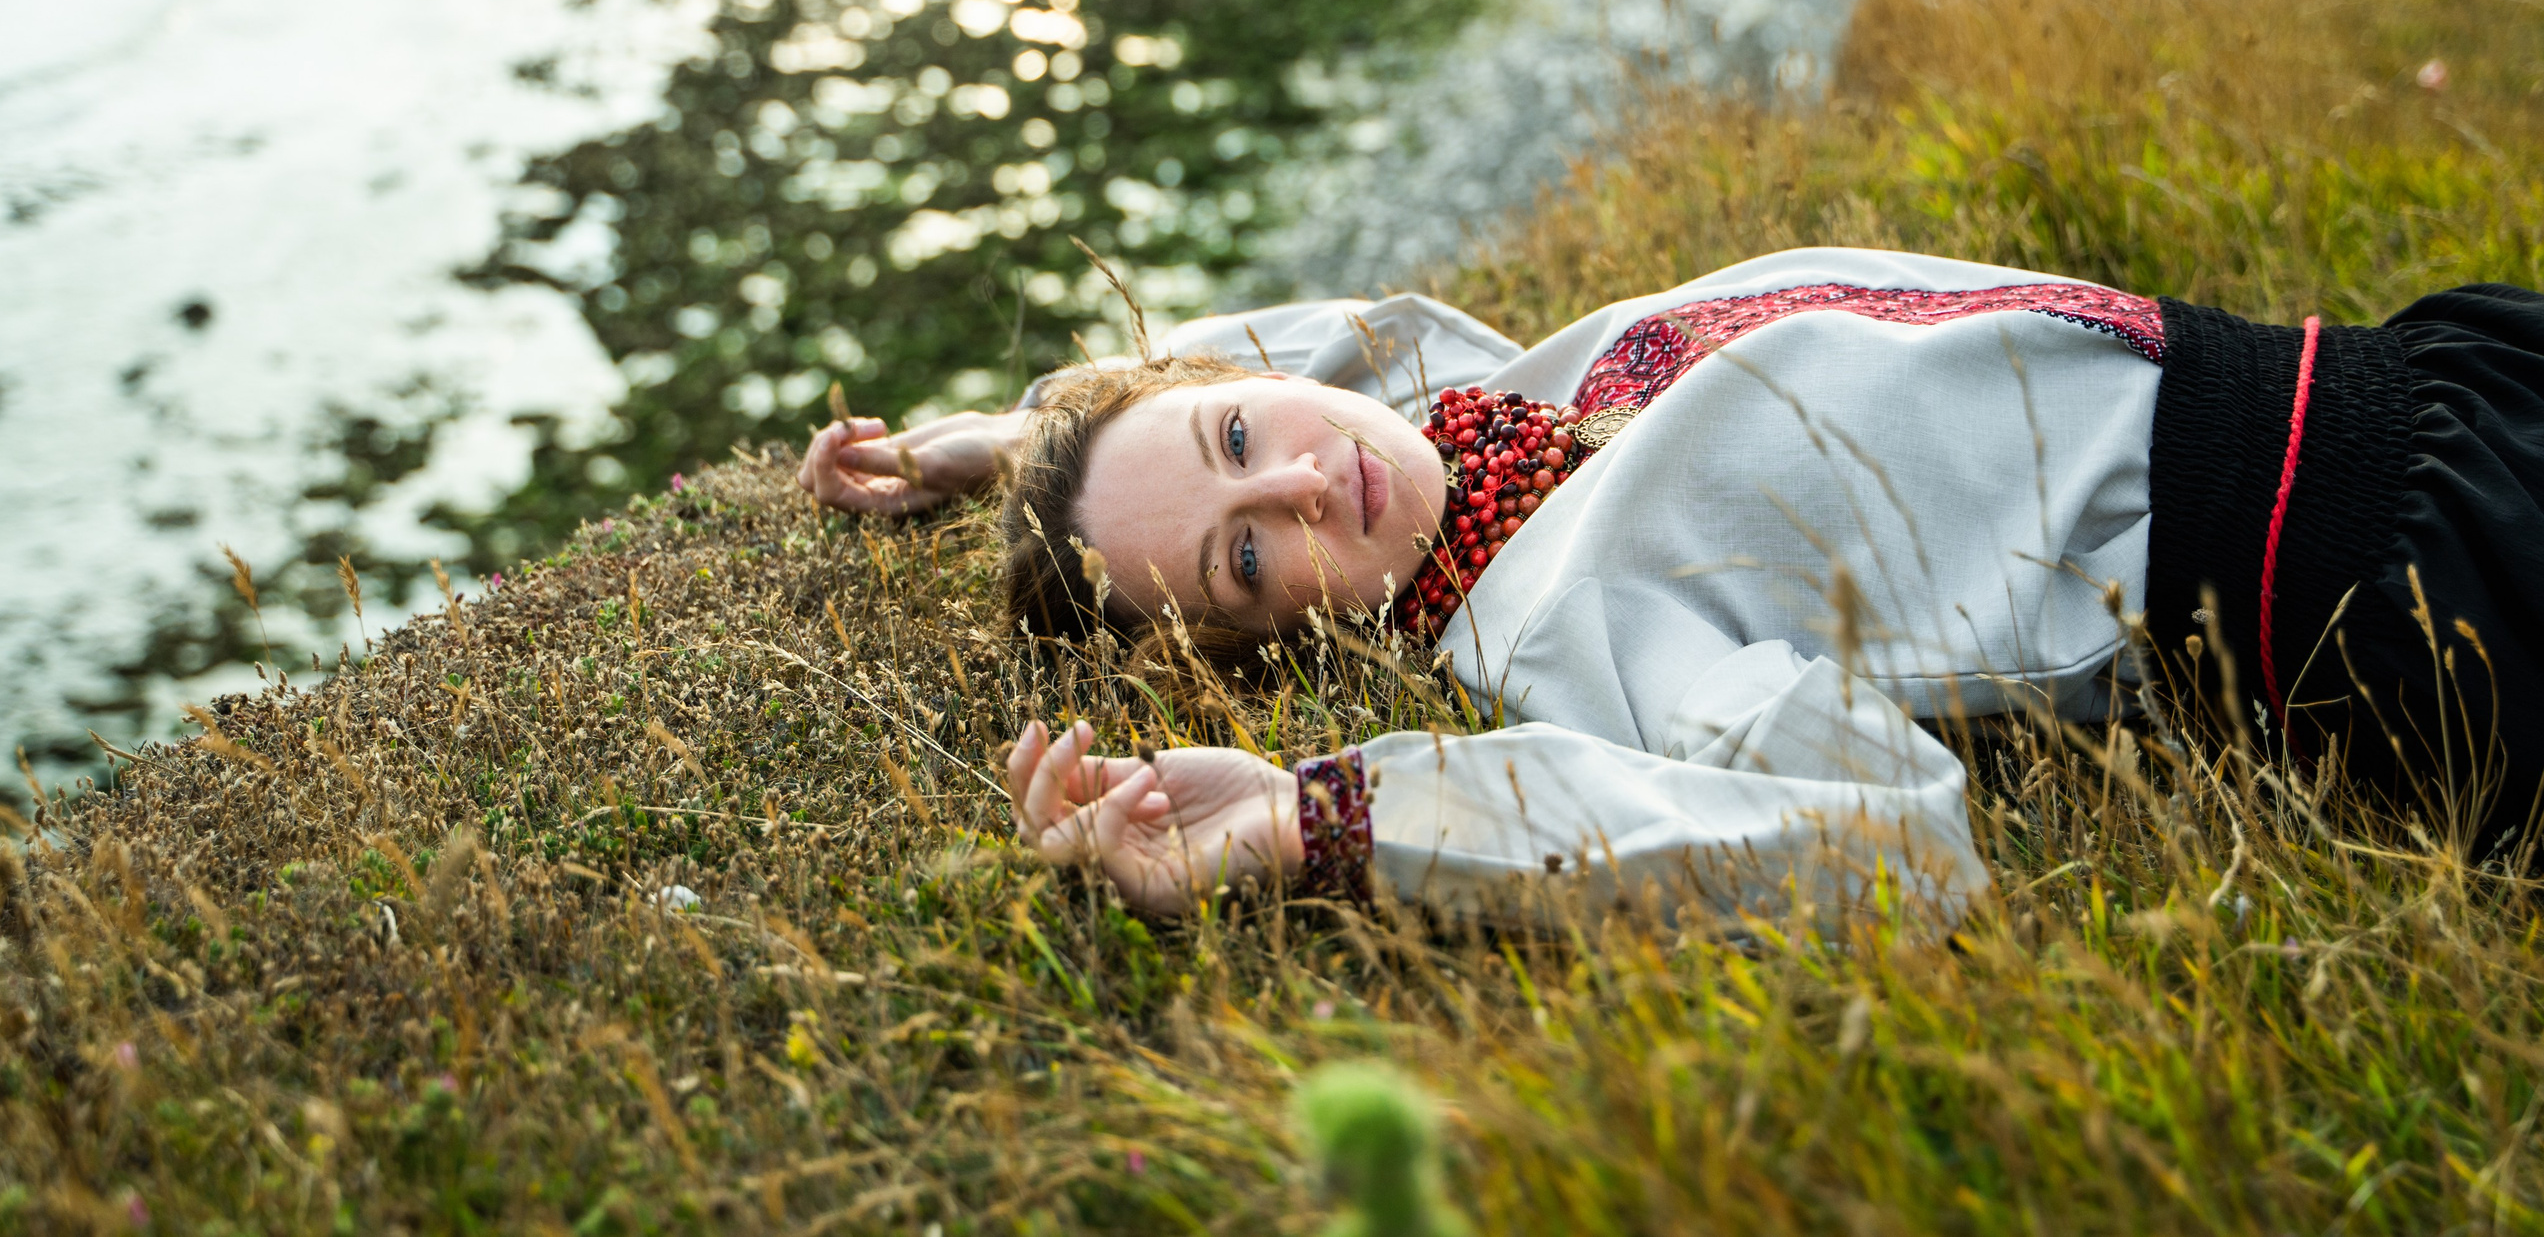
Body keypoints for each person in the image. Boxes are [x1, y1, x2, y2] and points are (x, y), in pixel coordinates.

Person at [798, 247, 2544, 924]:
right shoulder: (1563, 615)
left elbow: (1326, 345)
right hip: (2416, 575)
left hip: (2436, 373)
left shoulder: (1489, 405)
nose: (1304, 477)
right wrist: (1313, 819)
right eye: (1248, 555)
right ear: (1274, 640)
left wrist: (1005, 438)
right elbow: (1884, 839)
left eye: (1248, 427)